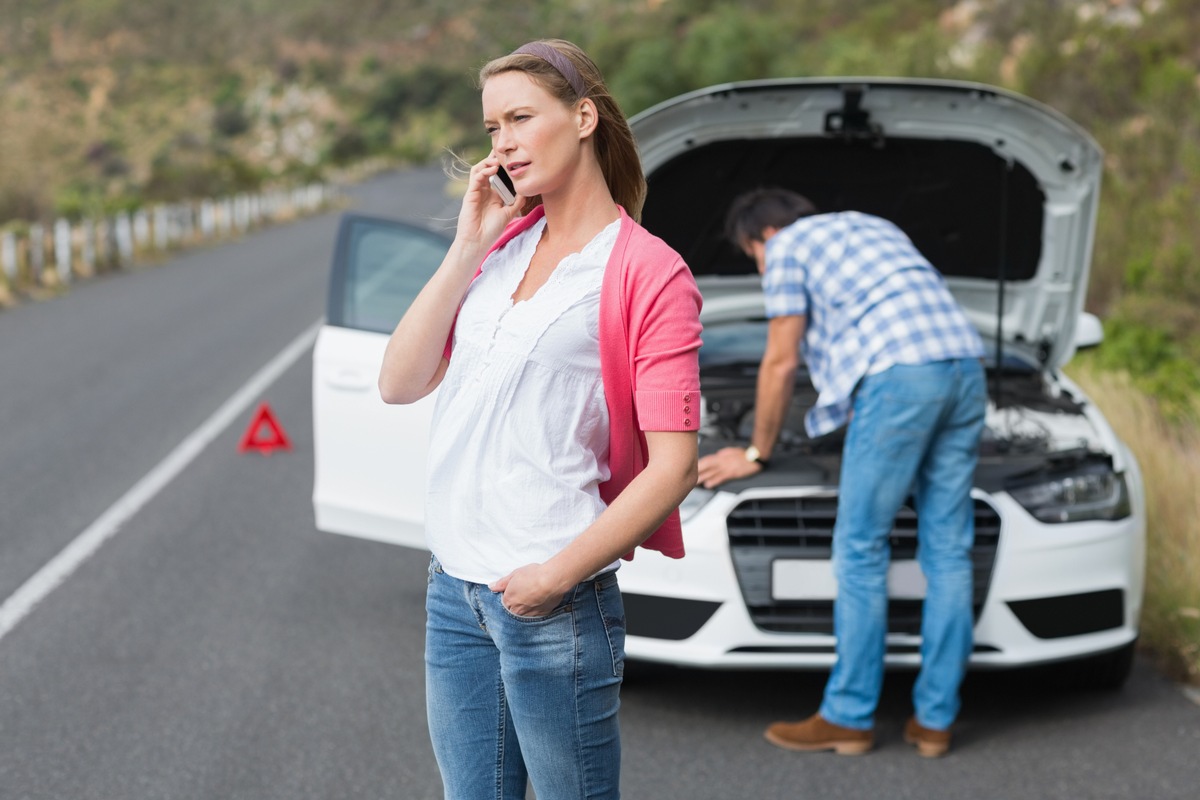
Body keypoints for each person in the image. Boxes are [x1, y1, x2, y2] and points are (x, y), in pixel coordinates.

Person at [378, 39, 702, 798]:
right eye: (492, 129)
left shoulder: (648, 272)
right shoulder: (500, 247)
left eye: (521, 118)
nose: (504, 144)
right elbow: (399, 382)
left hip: (550, 599)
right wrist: (467, 246)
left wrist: (552, 579)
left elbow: (674, 466)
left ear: (584, 116)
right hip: (454, 590)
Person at [697, 188, 987, 758]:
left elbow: (781, 360)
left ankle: (849, 716)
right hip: (966, 370)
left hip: (901, 378)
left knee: (859, 548)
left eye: (751, 256)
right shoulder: (874, 224)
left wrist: (755, 452)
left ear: (761, 238)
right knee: (949, 551)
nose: (760, 267)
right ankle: (935, 722)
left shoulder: (785, 249)